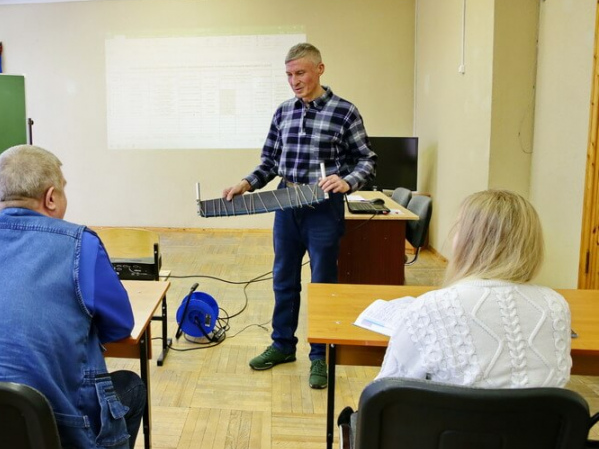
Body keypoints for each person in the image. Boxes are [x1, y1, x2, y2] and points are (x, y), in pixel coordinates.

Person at [0, 145, 146, 449]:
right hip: (45, 430)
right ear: (51, 197)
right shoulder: (80, 244)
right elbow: (121, 325)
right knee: (131, 388)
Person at [223, 43, 377, 389]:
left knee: (323, 284)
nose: (295, 80)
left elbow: (367, 160)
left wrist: (347, 179)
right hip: (286, 206)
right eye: (290, 74)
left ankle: (320, 354)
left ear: (320, 69)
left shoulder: (345, 112)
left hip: (324, 210)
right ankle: (282, 346)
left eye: (301, 73)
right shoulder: (283, 113)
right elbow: (269, 163)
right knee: (283, 279)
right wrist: (246, 183)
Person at [376, 189, 572, 387]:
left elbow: (385, 392)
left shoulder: (431, 307)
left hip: (452, 418)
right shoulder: (555, 306)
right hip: (538, 419)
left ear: (467, 242)